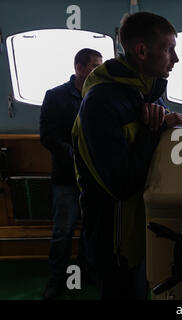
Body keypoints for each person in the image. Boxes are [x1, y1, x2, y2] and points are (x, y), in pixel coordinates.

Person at [71, 12, 182, 299]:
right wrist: (152, 131)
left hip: (139, 226)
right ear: (141, 50)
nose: (175, 59)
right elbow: (120, 184)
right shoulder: (102, 103)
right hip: (114, 238)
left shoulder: (145, 91)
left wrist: (165, 123)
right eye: (168, 48)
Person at [40, 48, 103, 300]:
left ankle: (84, 271)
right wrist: (74, 155)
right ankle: (56, 280)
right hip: (67, 177)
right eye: (95, 66)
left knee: (90, 229)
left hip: (94, 178)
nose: (100, 71)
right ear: (79, 68)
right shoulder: (55, 96)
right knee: (63, 232)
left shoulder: (100, 95)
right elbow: (47, 135)